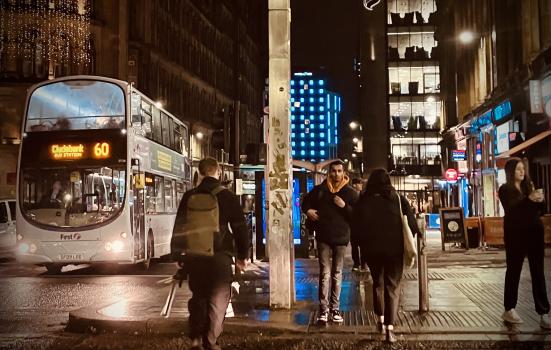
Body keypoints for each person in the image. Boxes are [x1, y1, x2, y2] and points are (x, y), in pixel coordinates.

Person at [172, 157, 250, 350]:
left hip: (194, 256)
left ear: (199, 173)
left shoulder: (189, 196)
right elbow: (240, 228)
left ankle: (196, 337)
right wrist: (242, 256)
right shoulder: (228, 196)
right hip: (220, 256)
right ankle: (211, 340)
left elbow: (179, 228)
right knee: (218, 301)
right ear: (218, 173)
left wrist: (178, 256)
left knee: (199, 296)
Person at [352, 168, 420, 343]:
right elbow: (410, 219)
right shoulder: (396, 198)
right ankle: (390, 329)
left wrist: (360, 246)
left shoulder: (364, 199)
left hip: (372, 250)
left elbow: (356, 225)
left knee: (378, 284)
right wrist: (418, 235)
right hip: (394, 250)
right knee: (392, 287)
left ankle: (380, 320)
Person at [302, 160, 358, 325]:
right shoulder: (320, 190)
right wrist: (308, 211)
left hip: (341, 238)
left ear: (344, 173)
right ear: (329, 172)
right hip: (323, 237)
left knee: (337, 274)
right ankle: (323, 310)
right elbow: (305, 202)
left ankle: (335, 309)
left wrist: (344, 206)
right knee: (325, 274)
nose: (336, 174)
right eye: (333, 171)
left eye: (339, 171)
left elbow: (357, 215)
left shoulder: (350, 193)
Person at [498, 157, 550, 328]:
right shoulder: (505, 189)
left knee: (538, 273)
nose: (522, 172)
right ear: (511, 172)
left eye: (523, 168)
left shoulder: (529, 186)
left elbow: (540, 211)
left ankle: (543, 312)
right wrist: (530, 199)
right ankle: (509, 308)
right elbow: (513, 210)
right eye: (518, 169)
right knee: (514, 271)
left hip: (534, 233)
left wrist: (540, 200)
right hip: (516, 235)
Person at [350, 178, 367, 272]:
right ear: (354, 185)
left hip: (362, 225)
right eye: (359, 184)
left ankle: (364, 263)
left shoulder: (363, 195)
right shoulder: (351, 195)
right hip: (353, 225)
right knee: (354, 246)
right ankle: (356, 263)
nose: (361, 185)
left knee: (363, 246)